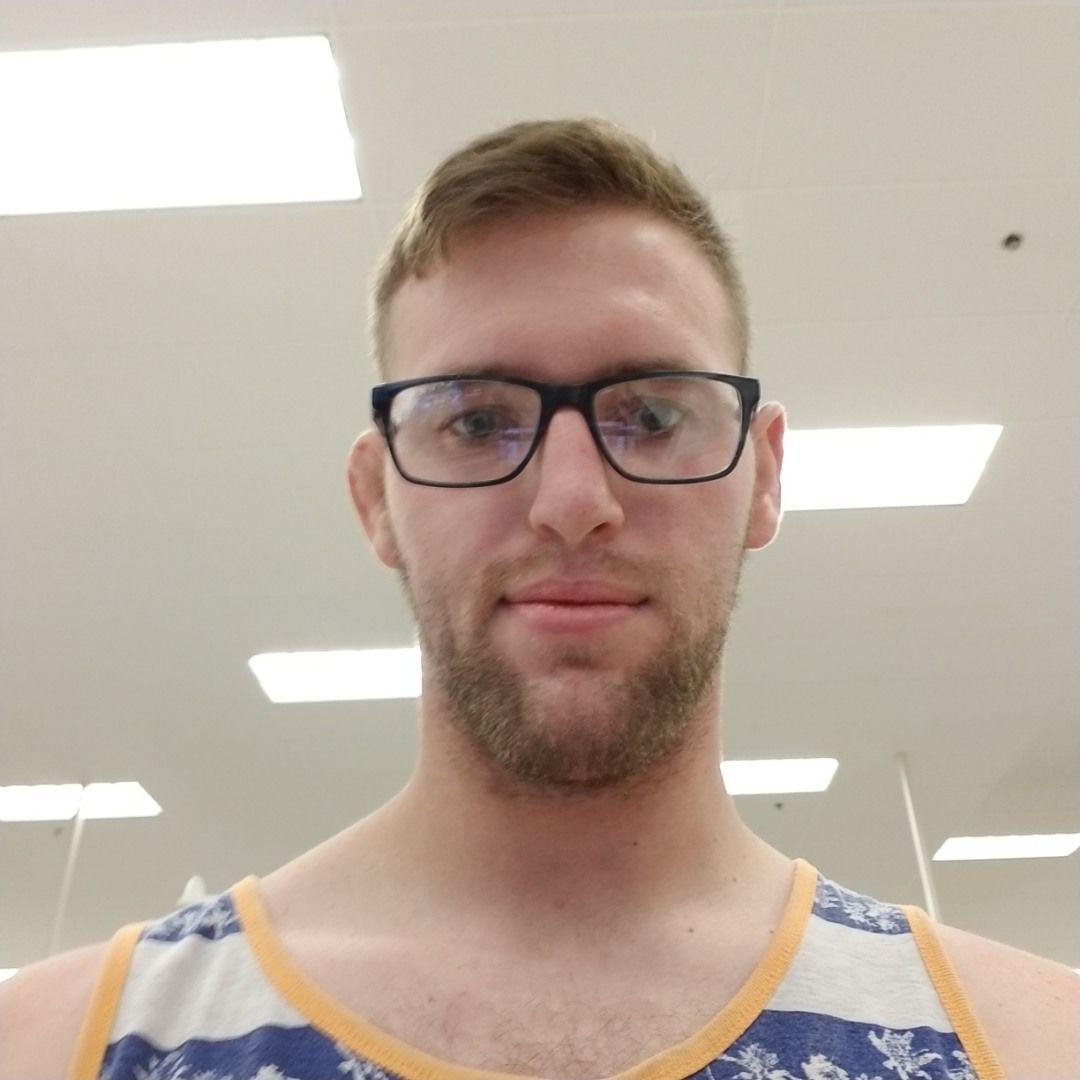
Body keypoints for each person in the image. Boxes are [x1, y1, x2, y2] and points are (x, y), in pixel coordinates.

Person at [1, 118, 1076, 1080]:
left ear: (763, 475)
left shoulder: (1027, 1043)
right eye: (475, 422)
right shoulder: (69, 1044)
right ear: (376, 499)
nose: (572, 503)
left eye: (652, 416)